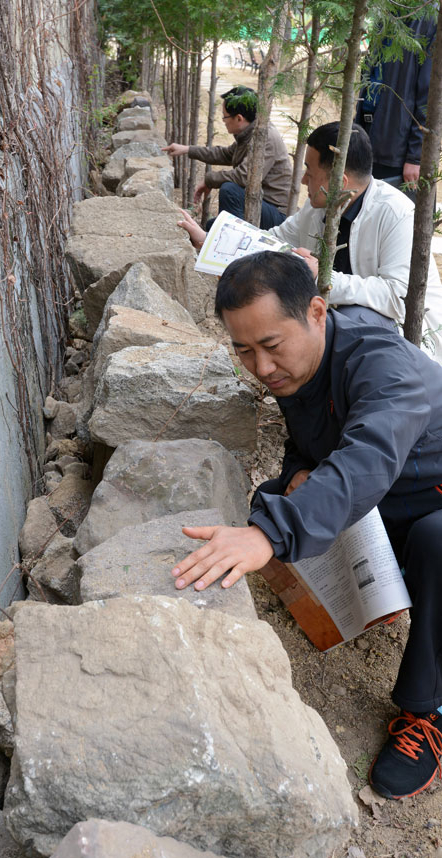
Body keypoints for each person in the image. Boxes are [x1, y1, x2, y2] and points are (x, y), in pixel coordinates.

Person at [171, 250, 442, 801]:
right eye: (244, 351)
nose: (262, 368)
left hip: (428, 499)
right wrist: (296, 472)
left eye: (272, 346)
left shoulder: (386, 366)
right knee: (276, 496)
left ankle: (426, 711)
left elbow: (365, 458)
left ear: (317, 312)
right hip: (390, 499)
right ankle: (358, 605)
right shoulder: (305, 365)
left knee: (437, 543)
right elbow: (308, 444)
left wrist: (268, 534)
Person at [178, 120, 442, 361]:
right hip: (335, 322)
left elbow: (398, 298)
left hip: (402, 344)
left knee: (347, 320)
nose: (303, 179)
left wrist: (322, 278)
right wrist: (210, 242)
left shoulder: (396, 214)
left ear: (340, 181)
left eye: (309, 171)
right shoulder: (317, 207)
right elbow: (272, 244)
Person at [162, 85, 292, 229]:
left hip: (276, 213)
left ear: (239, 118)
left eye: (225, 116)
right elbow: (225, 154)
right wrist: (187, 149)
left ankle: (234, 244)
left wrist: (209, 180)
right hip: (259, 204)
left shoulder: (264, 137)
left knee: (229, 190)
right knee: (212, 226)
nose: (223, 120)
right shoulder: (250, 133)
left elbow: (243, 177)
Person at [355, 14, 437, 195]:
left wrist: (416, 157)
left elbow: (429, 98)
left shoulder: (430, 20)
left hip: (395, 149)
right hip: (366, 136)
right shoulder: (386, 14)